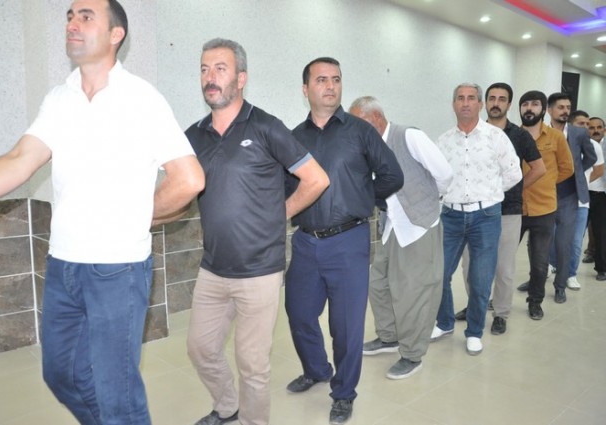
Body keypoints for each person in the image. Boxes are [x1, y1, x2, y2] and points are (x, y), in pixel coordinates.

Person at [0, 1, 206, 423]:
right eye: (70, 16)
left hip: (118, 270)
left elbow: (189, 179)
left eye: (86, 16)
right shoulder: (59, 98)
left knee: (117, 394)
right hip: (63, 265)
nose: (73, 24)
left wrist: (135, 217)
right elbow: (20, 159)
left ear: (116, 34)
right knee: (62, 374)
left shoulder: (141, 99)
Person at [184, 39, 329, 425]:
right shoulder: (194, 135)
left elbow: (316, 179)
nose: (210, 77)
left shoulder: (266, 127)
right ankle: (227, 406)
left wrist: (279, 214)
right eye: (204, 69)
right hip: (212, 268)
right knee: (200, 349)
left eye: (220, 68)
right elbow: (181, 188)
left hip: (259, 270)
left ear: (241, 78)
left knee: (252, 364)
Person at [284, 57, 403, 425]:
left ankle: (344, 392)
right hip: (306, 242)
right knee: (299, 313)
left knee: (346, 326)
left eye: (335, 79)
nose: (330, 86)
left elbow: (392, 175)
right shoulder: (293, 137)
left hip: (348, 241)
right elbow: (286, 187)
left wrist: (361, 198)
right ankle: (316, 369)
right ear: (305, 89)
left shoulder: (360, 131)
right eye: (321, 79)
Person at [349, 96, 453, 379]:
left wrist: (428, 201)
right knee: (377, 282)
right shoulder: (369, 146)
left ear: (376, 118)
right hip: (392, 226)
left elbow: (444, 174)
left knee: (415, 292)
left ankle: (412, 354)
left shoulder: (408, 136)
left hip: (419, 225)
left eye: (359, 123)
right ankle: (389, 336)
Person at [431, 83, 521, 356]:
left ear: (480, 104)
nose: (466, 103)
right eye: (460, 98)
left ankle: (474, 332)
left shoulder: (496, 137)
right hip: (451, 215)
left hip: (486, 216)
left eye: (471, 98)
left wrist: (490, 194)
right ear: (454, 104)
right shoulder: (443, 141)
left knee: (480, 279)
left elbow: (514, 173)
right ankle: (445, 323)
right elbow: (436, 177)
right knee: (439, 273)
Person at [456, 83, 545, 335]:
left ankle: (501, 313)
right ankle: (475, 307)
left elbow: (539, 168)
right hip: (473, 212)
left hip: (508, 212)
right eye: (492, 98)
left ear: (509, 104)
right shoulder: (471, 133)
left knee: (503, 268)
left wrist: (512, 190)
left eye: (502, 99)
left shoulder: (520, 136)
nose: (496, 103)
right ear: (484, 103)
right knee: (470, 266)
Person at [517, 90, 574, 320]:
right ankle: (498, 299)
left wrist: (548, 182)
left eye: (534, 104)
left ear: (543, 109)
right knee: (501, 260)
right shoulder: (511, 135)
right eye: (525, 104)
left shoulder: (556, 137)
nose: (529, 108)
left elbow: (567, 168)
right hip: (514, 209)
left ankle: (535, 301)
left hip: (544, 209)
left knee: (540, 264)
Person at [541, 93, 596, 301]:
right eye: (561, 107)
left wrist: (576, 172)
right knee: (539, 242)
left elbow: (590, 157)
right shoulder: (541, 131)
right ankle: (536, 280)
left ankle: (560, 285)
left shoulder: (578, 133)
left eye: (568, 107)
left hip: (569, 196)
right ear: (549, 110)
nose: (565, 111)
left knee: (564, 243)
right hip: (543, 194)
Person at [564, 111, 603, 289]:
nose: (586, 128)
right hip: (560, 199)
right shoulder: (562, 141)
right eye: (582, 124)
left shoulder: (594, 146)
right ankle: (552, 265)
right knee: (554, 238)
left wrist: (581, 182)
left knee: (576, 241)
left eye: (588, 124)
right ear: (571, 126)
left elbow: (598, 170)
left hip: (582, 200)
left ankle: (571, 274)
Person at [587, 117, 606, 281]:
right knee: (574, 234)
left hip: (601, 196)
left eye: (599, 127)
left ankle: (602, 268)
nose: (596, 131)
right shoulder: (581, 145)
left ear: (604, 130)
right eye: (592, 128)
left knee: (601, 233)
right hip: (581, 194)